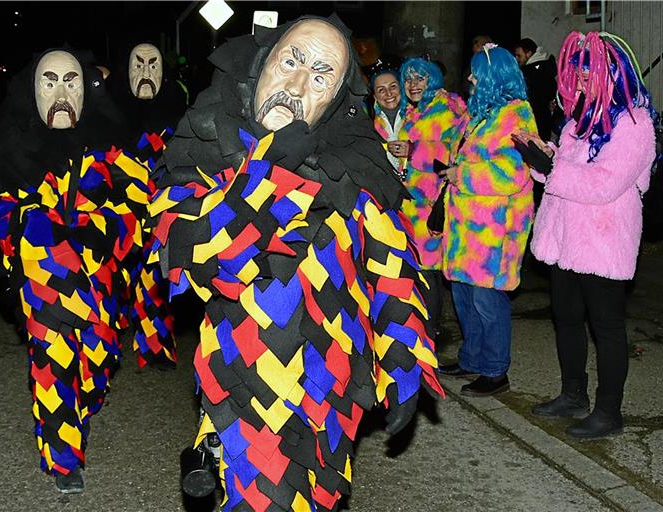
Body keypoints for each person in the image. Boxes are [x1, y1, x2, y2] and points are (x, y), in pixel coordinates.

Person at [148, 15, 444, 511]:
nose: (299, 83)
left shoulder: (352, 163)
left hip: (333, 395)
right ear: (261, 64)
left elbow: (393, 268)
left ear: (333, 101)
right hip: (246, 397)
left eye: (322, 74)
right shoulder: (205, 145)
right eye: (292, 60)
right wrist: (269, 172)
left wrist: (404, 359)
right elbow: (194, 260)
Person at [0, 48, 176, 493]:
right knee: (54, 357)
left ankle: (82, 404)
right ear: (33, 92)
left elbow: (139, 202)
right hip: (43, 278)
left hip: (98, 280)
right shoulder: (12, 145)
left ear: (85, 90)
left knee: (96, 362)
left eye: (71, 82)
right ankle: (63, 458)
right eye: (50, 82)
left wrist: (97, 228)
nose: (61, 93)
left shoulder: (109, 146)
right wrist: (31, 227)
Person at [515, 31, 657, 439]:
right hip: (565, 241)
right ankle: (572, 394)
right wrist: (542, 156)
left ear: (609, 75)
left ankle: (609, 412)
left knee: (607, 326)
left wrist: (554, 167)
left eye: (585, 76)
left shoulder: (634, 123)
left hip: (602, 241)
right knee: (567, 318)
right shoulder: (580, 120)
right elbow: (564, 173)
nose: (577, 84)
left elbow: (603, 184)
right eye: (574, 76)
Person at [436, 44, 538, 397]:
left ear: (496, 76)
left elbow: (512, 172)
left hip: (495, 230)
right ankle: (472, 358)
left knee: (487, 302)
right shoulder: (477, 113)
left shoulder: (517, 114)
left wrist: (461, 175)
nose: (470, 78)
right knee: (464, 297)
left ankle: (496, 371)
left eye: (477, 72)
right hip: (466, 227)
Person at [106, 41, 189, 369]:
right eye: (137, 65)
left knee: (155, 278)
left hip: (159, 209)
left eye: (152, 64)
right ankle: (106, 349)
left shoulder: (176, 109)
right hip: (116, 213)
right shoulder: (108, 112)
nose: (145, 72)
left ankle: (155, 347)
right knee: (112, 282)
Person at [387, 57, 468, 339]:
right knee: (416, 269)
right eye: (408, 79)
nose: (413, 85)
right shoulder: (414, 110)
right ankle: (419, 333)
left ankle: (430, 335)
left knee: (429, 272)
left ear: (432, 79)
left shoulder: (448, 107)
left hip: (432, 202)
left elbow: (453, 152)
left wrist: (413, 150)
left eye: (420, 79)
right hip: (411, 203)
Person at [514, 38, 558, 142]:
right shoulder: (546, 66)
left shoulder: (531, 72)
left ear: (529, 53)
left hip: (536, 120)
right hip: (545, 119)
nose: (516, 59)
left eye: (519, 55)